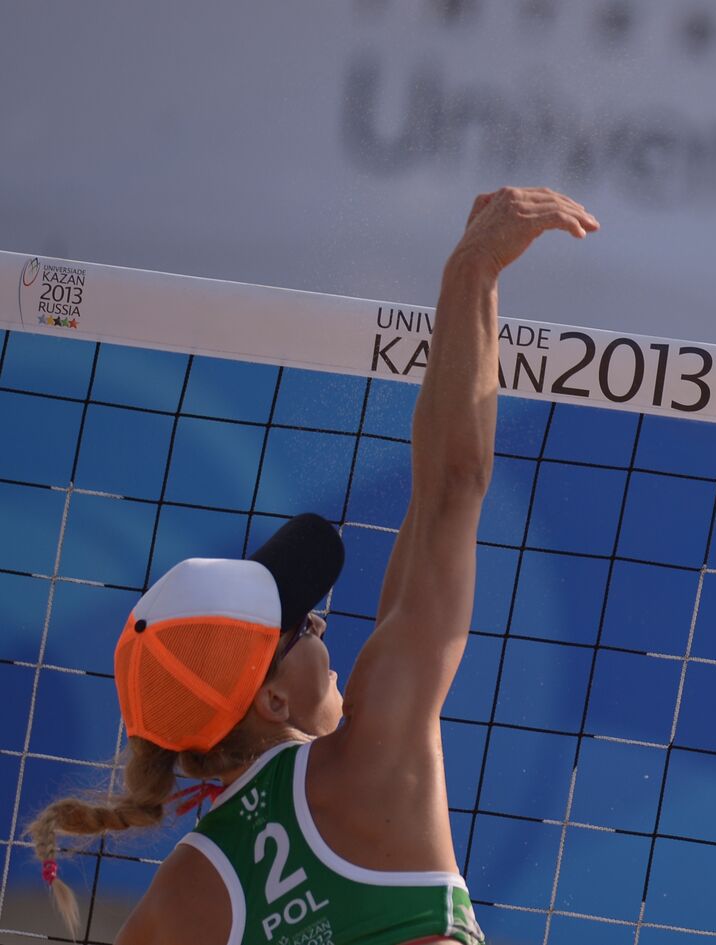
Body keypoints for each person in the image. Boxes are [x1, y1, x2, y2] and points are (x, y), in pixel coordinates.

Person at [27, 187, 599, 945]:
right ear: (269, 700)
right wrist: (473, 270)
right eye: (300, 627)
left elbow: (437, 496)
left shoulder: (179, 899)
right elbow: (452, 488)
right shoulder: (372, 755)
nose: (322, 623)